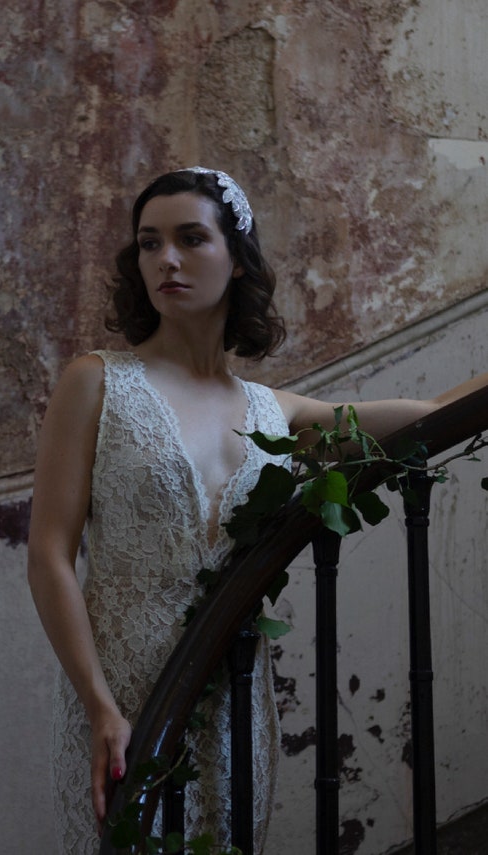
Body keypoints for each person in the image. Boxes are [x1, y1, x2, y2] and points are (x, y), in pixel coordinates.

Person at [27, 167, 487, 854]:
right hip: (119, 699)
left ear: (237, 258)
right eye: (149, 243)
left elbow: (432, 415)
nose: (166, 259)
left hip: (233, 697)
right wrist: (99, 704)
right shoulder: (95, 382)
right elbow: (49, 555)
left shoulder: (278, 412)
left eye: (190, 238)